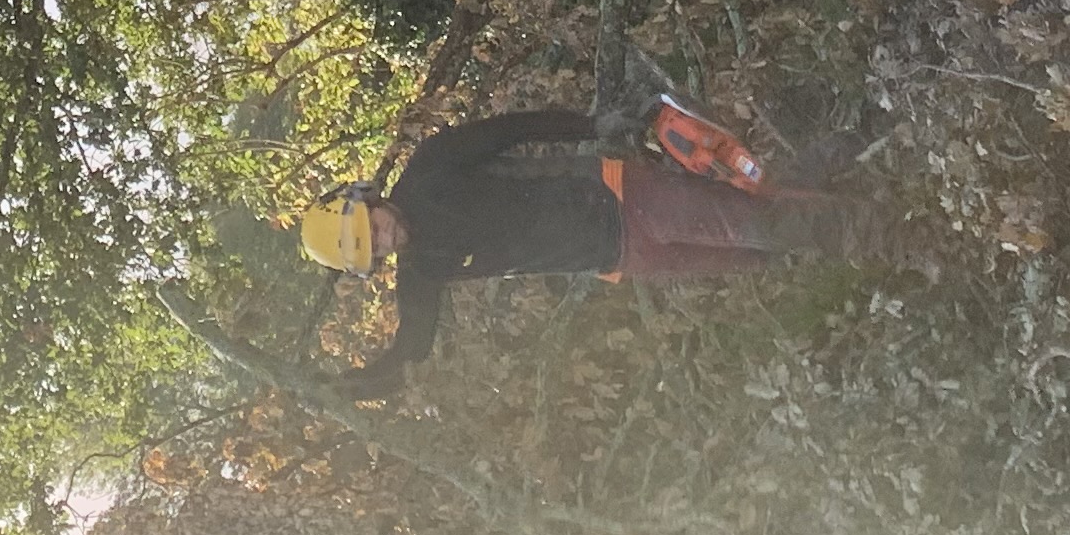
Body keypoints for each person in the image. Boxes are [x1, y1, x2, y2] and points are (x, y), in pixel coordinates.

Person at [294, 103, 909, 396]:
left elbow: (515, 129)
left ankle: (902, 236)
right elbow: (411, 350)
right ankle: (854, 148)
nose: (382, 238)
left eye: (368, 226)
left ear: (366, 198)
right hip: (620, 258)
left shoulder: (430, 170)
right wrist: (343, 387)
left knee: (760, 227)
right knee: (758, 245)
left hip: (615, 195)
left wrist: (599, 124)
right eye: (369, 249)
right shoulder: (421, 271)